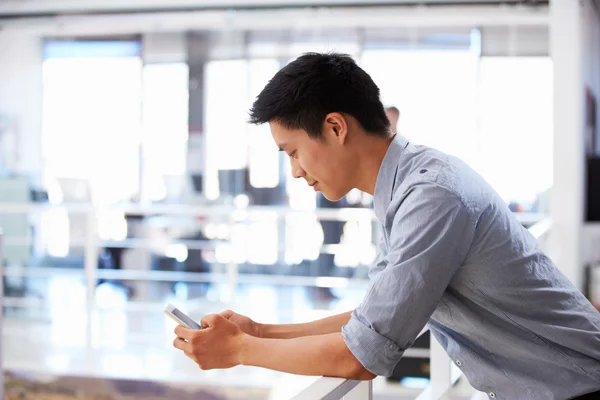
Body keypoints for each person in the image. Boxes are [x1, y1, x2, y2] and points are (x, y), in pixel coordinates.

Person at [172, 53, 600, 399]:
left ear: (335, 127)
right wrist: (261, 332)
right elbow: (372, 319)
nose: (296, 172)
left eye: (293, 151)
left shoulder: (431, 195)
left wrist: (240, 350)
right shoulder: (404, 185)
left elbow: (363, 354)